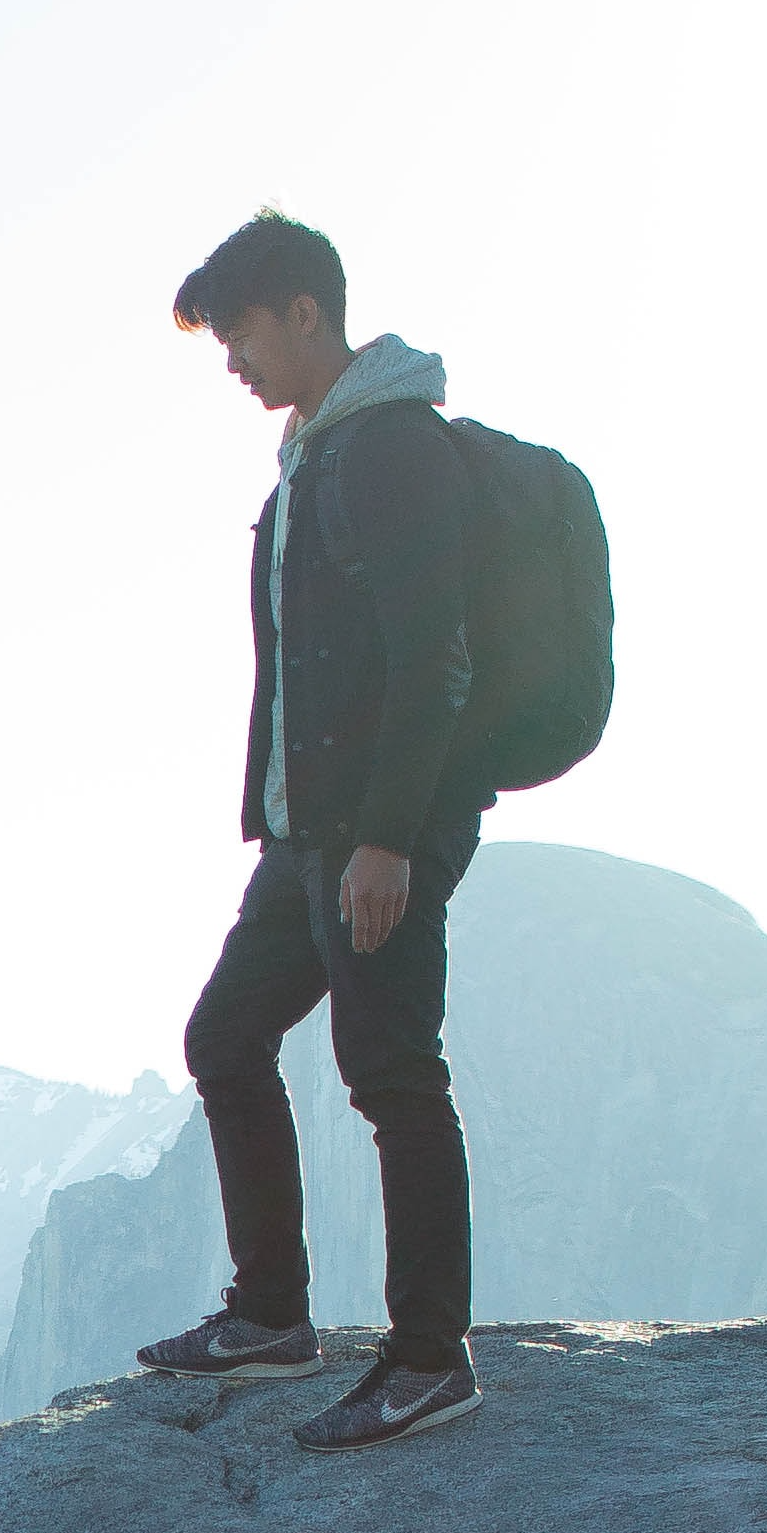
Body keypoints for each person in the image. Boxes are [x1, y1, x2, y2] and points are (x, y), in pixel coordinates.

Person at [136, 211, 490, 1451]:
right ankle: (273, 1316)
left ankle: (429, 1357)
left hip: (376, 831)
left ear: (303, 312)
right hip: (306, 837)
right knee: (225, 1038)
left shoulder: (391, 448)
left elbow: (431, 659)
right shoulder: (311, 459)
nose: (231, 356)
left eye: (238, 327)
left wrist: (391, 836)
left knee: (391, 1072)